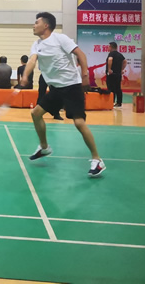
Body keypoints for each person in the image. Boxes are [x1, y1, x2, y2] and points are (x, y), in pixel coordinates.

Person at [21, 12, 105, 177]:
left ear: (46, 25)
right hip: (56, 88)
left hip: (72, 86)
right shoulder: (36, 44)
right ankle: (44, 147)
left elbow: (81, 54)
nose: (33, 25)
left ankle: (97, 160)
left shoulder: (60, 39)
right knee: (36, 113)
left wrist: (85, 75)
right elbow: (32, 61)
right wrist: (25, 76)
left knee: (79, 123)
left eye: (36, 22)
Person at [106, 42, 127, 108]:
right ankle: (119, 103)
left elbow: (110, 60)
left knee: (111, 88)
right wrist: (122, 69)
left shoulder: (111, 54)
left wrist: (109, 69)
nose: (108, 48)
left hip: (111, 74)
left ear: (111, 47)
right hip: (118, 74)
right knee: (118, 88)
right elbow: (125, 61)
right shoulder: (120, 55)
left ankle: (111, 102)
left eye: (109, 47)